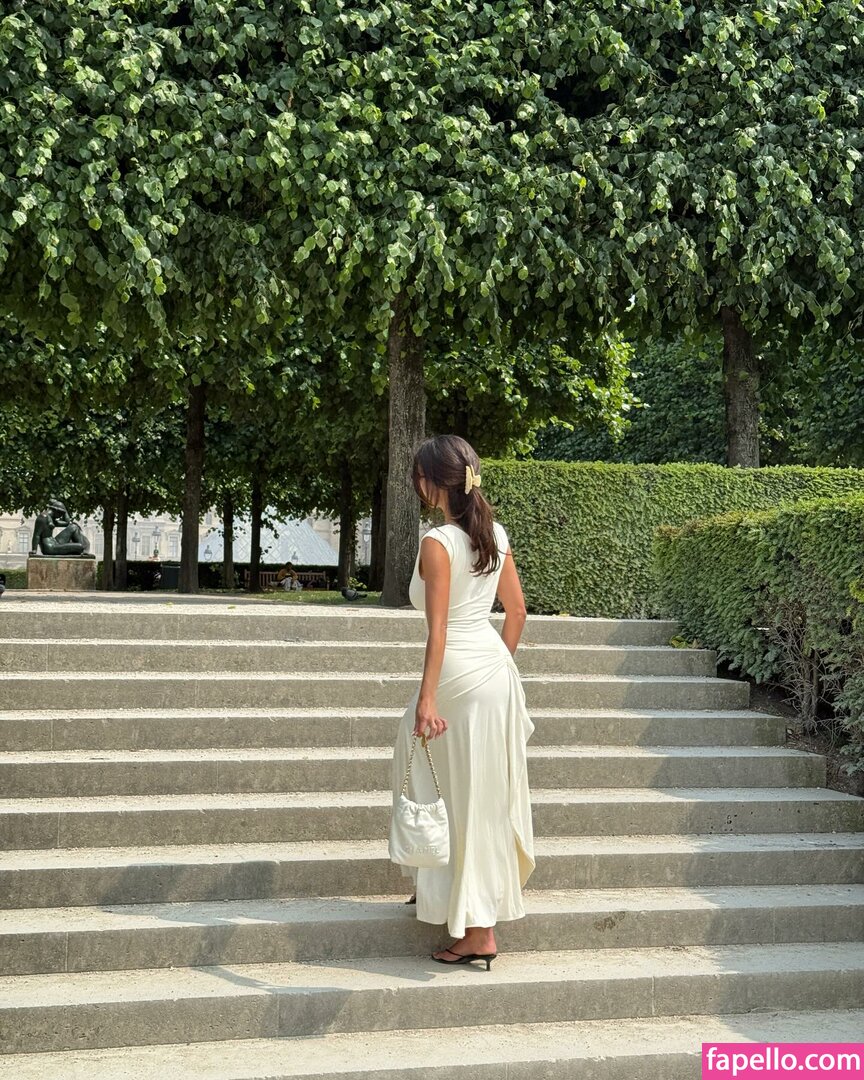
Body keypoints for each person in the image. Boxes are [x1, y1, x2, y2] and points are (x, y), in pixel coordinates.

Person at [390, 434, 535, 969]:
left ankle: (477, 931)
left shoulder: (437, 542)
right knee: (479, 794)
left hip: (454, 675)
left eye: (417, 476)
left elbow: (440, 630)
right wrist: (496, 665)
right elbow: (516, 613)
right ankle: (440, 886)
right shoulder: (495, 534)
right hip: (494, 673)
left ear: (431, 482)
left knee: (440, 783)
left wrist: (428, 699)